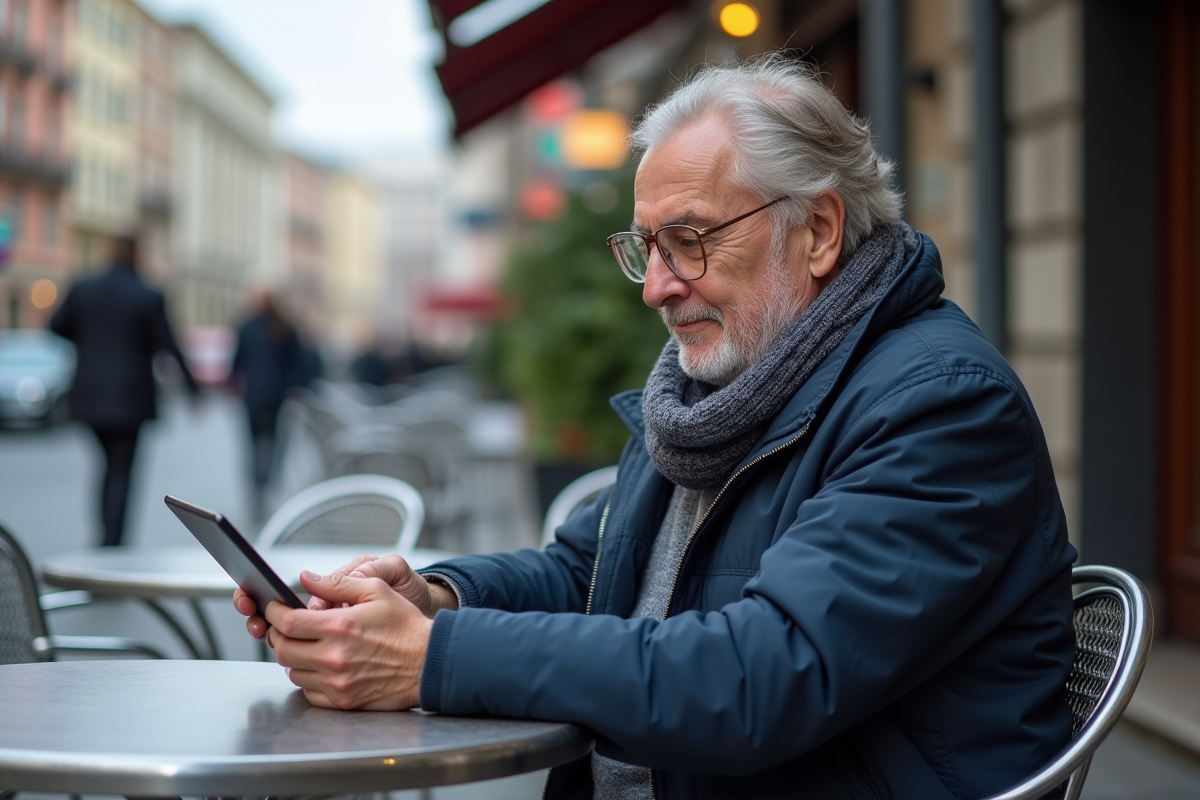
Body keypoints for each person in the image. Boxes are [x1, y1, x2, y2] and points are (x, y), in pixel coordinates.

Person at [235, 56, 1077, 800]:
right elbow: (591, 571)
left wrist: (433, 657)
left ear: (817, 230)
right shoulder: (720, 387)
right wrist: (437, 597)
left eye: (690, 240)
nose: (657, 287)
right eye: (647, 246)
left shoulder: (940, 404)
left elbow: (761, 678)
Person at [50, 233, 200, 547]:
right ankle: (113, 543)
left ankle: (106, 537)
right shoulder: (147, 295)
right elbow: (167, 344)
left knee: (106, 467)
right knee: (121, 470)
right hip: (130, 398)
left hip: (89, 394)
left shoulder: (83, 288)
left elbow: (56, 325)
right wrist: (192, 387)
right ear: (136, 254)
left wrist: (90, 344)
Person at [228, 288, 308, 520]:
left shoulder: (246, 327)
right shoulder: (284, 327)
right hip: (276, 397)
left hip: (253, 397)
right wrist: (295, 391)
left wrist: (233, 385)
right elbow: (298, 364)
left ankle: (257, 488)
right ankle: (265, 484)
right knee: (273, 446)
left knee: (253, 447)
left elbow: (238, 362)